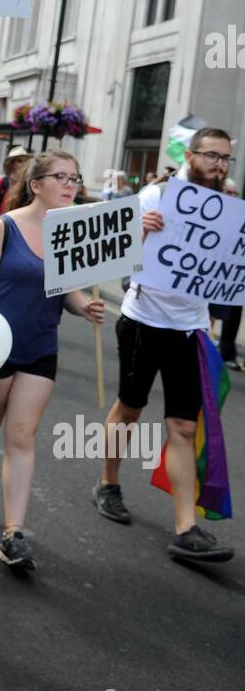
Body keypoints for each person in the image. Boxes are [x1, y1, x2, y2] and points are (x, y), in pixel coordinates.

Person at [0, 152, 105, 570]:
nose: (71, 184)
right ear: (36, 184)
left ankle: (14, 533)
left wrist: (84, 308)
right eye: (61, 177)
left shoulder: (72, 234)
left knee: (23, 434)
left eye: (75, 178)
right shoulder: (4, 227)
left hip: (40, 348)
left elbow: (67, 293)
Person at [95, 128, 235, 562]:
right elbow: (110, 252)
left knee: (184, 426)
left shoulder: (227, 209)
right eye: (212, 155)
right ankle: (109, 483)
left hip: (189, 330)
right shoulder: (155, 198)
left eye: (227, 158)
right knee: (130, 408)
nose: (220, 164)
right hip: (142, 322)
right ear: (190, 156)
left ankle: (185, 527)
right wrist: (139, 231)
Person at [0, 146, 31, 220]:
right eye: (20, 161)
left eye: (26, 161)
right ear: (12, 164)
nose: (24, 164)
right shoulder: (1, 182)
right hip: (1, 224)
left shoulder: (30, 184)